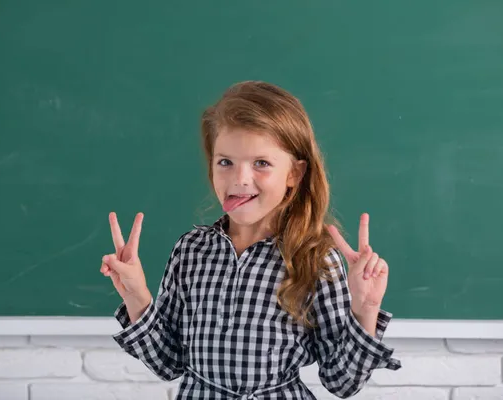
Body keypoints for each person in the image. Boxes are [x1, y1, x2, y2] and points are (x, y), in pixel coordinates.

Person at [100, 81, 401, 399]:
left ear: (294, 174)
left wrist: (366, 308)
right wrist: (136, 295)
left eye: (261, 163)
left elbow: (342, 383)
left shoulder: (314, 259)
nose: (240, 179)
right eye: (225, 162)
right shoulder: (191, 251)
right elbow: (168, 364)